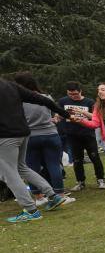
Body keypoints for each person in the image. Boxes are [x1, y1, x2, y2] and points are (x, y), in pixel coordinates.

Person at [1, 78, 73, 223]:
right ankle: (53, 196)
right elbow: (42, 99)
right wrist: (65, 114)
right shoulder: (10, 85)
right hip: (23, 133)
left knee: (9, 173)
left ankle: (31, 210)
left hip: (5, 137)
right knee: (21, 168)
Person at [13, 73, 73, 205]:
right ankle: (60, 194)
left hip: (30, 137)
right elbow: (52, 114)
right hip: (50, 134)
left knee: (31, 167)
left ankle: (39, 197)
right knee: (54, 165)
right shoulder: (46, 97)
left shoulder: (17, 100)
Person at [58, 82, 105, 191]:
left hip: (87, 134)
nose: (73, 96)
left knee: (94, 157)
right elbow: (60, 114)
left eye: (75, 94)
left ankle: (101, 179)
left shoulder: (89, 102)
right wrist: (57, 117)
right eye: (70, 94)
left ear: (80, 91)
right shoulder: (63, 101)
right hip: (72, 135)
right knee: (77, 159)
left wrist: (81, 112)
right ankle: (80, 182)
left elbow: (95, 117)